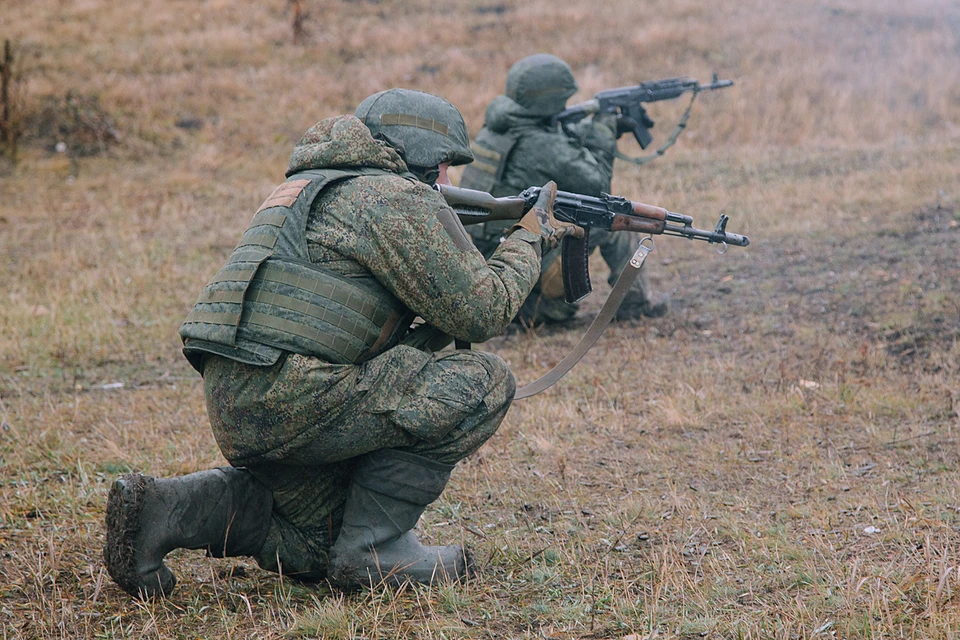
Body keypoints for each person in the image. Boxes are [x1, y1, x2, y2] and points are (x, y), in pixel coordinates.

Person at [103, 89, 580, 598]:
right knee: (484, 382)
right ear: (419, 157)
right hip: (299, 394)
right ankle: (375, 550)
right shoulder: (389, 198)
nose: (447, 182)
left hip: (240, 400)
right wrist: (530, 237)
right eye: (443, 166)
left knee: (314, 544)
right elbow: (483, 311)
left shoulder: (307, 187)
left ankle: (160, 510)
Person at [459, 53, 668, 325]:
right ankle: (634, 304)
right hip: (521, 277)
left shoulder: (502, 127)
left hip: (495, 262)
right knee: (610, 219)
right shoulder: (536, 143)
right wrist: (603, 131)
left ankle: (531, 305)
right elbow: (596, 183)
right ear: (551, 102)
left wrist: (603, 128)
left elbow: (555, 142)